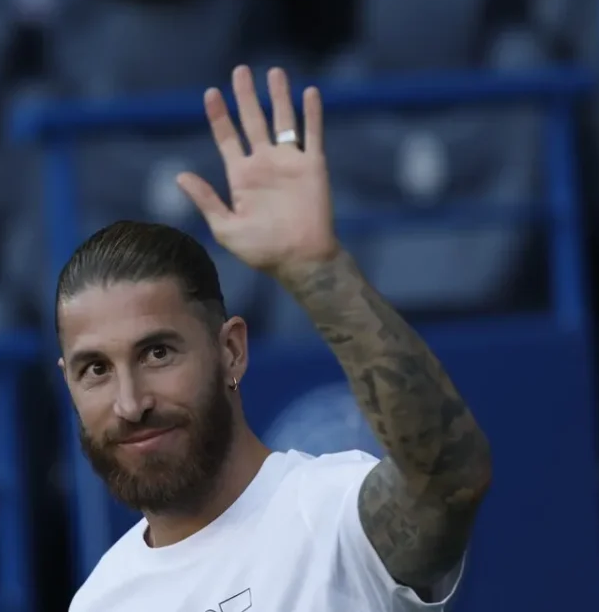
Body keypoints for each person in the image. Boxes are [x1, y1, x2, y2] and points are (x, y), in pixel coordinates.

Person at [56, 65, 493, 611]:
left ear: (231, 351)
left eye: (158, 353)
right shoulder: (99, 602)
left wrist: (318, 269)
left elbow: (450, 480)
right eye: (96, 369)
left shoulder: (333, 512)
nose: (130, 402)